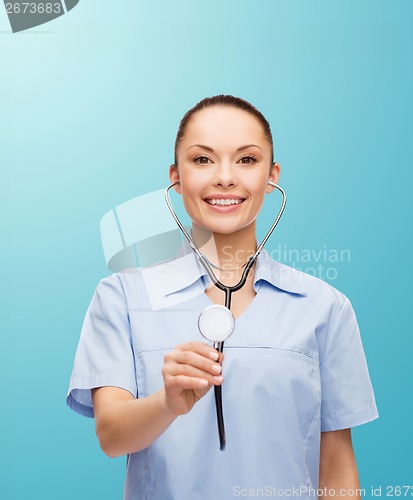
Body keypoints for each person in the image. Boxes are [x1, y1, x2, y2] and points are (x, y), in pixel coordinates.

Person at [67, 95, 378, 499]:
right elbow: (111, 436)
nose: (225, 178)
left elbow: (335, 465)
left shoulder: (325, 307)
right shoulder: (121, 297)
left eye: (247, 160)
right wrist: (168, 403)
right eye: (202, 160)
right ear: (176, 178)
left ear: (272, 176)